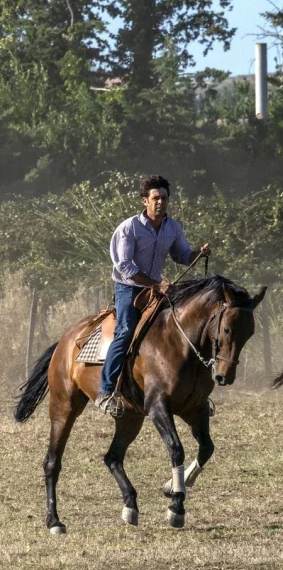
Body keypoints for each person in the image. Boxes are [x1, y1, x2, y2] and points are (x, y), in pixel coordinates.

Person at [96, 175, 211, 412]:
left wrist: (198, 253)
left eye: (164, 198)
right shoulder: (129, 228)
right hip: (129, 288)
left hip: (157, 287)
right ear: (144, 201)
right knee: (126, 330)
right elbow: (125, 268)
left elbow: (182, 256)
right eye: (156, 198)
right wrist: (155, 285)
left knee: (183, 323)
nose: (161, 202)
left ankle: (195, 392)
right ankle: (106, 392)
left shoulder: (173, 227)